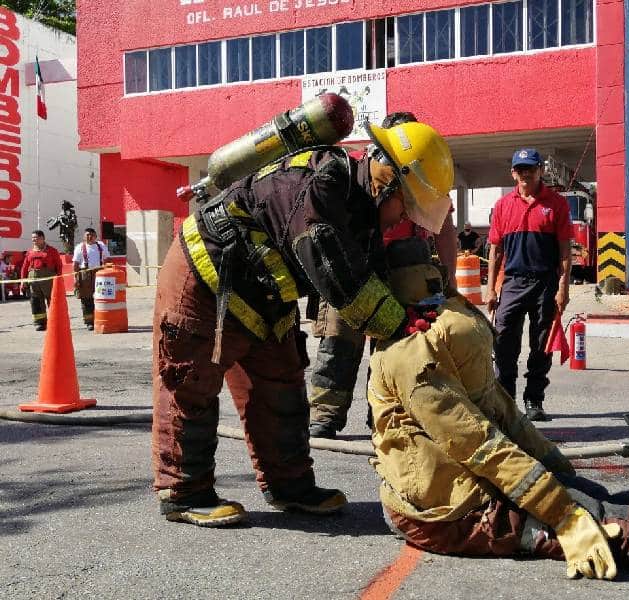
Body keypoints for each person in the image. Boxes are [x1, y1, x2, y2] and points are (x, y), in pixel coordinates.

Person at [367, 256, 629, 579]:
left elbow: (501, 412)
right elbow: (479, 445)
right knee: (594, 518)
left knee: (588, 493)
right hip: (447, 514)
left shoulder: (435, 344)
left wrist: (556, 467)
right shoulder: (410, 362)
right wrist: (561, 514)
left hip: (464, 487)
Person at [152, 119, 455, 527]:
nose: (406, 217)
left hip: (265, 288)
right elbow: (339, 277)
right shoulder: (323, 186)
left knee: (282, 383)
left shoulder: (362, 206)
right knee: (190, 381)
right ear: (386, 179)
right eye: (407, 204)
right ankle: (184, 491)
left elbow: (373, 274)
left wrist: (416, 314)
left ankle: (289, 485)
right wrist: (399, 328)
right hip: (207, 276)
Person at [307, 111, 458, 440]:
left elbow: (445, 229)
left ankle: (384, 414)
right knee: (338, 340)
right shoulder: (358, 174)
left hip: (403, 267)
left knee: (395, 345)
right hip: (355, 262)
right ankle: (325, 414)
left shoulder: (423, 174)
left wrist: (450, 279)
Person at [485, 148, 572, 422]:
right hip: (512, 282)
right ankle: (506, 401)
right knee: (503, 342)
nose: (526, 173)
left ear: (540, 171)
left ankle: (534, 399)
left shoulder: (556, 204)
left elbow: (565, 251)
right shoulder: (502, 205)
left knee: (541, 344)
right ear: (513, 172)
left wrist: (563, 288)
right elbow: (495, 251)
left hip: (545, 283)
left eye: (531, 169)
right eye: (520, 169)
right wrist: (490, 289)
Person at [19, 230, 63, 331]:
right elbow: (24, 268)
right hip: (33, 279)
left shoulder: (52, 250)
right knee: (36, 301)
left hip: (48, 279)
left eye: (36, 237)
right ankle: (40, 323)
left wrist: (59, 279)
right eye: (33, 238)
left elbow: (59, 266)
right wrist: (23, 281)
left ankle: (55, 322)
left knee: (52, 301)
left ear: (43, 238)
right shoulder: (30, 252)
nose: (34, 240)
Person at [72, 227, 109, 331]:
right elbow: (75, 264)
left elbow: (107, 259)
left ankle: (100, 319)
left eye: (92, 235)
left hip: (100, 273)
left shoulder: (101, 246)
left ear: (95, 236)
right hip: (85, 274)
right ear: (84, 236)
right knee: (86, 299)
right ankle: (89, 322)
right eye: (87, 235)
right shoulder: (79, 247)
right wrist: (76, 279)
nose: (89, 237)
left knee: (101, 298)